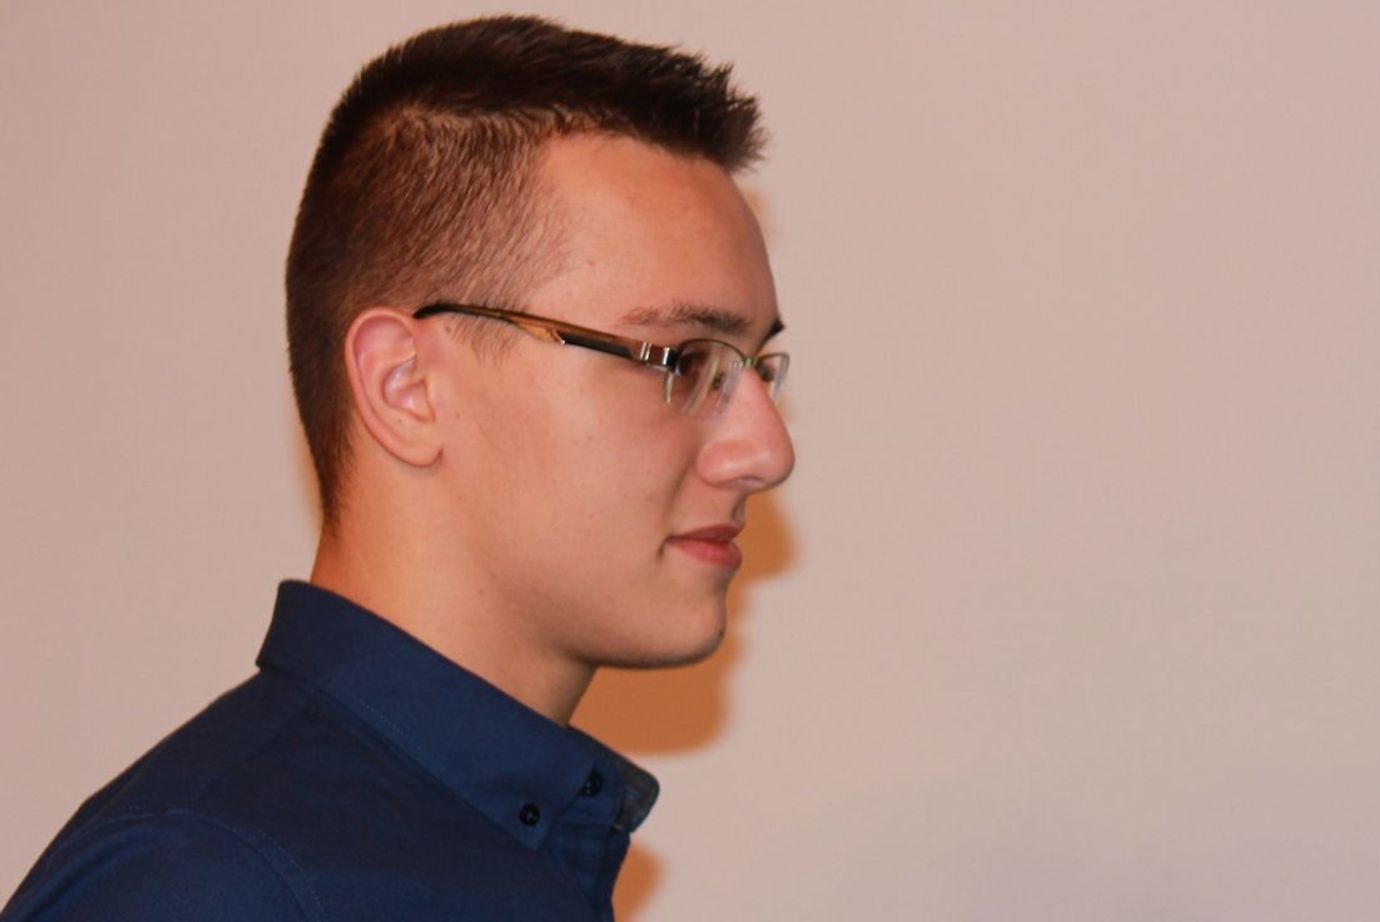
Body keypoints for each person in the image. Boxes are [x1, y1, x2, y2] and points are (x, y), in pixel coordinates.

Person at [2, 15, 794, 922]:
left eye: (756, 368)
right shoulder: (210, 887)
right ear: (406, 387)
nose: (767, 451)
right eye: (684, 362)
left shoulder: (488, 848)